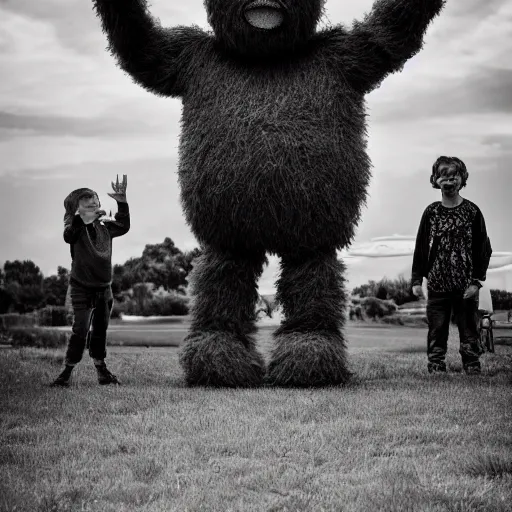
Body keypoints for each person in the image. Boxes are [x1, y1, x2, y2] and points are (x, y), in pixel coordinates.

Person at [411, 157, 492, 374]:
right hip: (437, 285)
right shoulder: (431, 213)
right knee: (437, 330)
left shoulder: (472, 212)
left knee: (469, 331)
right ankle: (436, 366)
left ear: (462, 179)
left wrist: (476, 281)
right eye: (443, 176)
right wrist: (417, 280)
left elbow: (484, 249)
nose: (448, 180)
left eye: (453, 175)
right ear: (436, 180)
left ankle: (472, 366)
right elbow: (421, 248)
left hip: (466, 286)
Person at [51, 175, 130, 387]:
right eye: (88, 205)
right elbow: (69, 235)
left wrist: (122, 203)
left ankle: (101, 370)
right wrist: (80, 219)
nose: (94, 207)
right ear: (76, 211)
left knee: (100, 329)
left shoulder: (105, 226)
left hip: (104, 288)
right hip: (81, 288)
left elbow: (123, 226)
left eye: (96, 203)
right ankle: (66, 373)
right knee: (81, 329)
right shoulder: (74, 228)